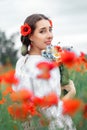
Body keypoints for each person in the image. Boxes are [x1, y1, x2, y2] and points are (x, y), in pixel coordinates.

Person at [13, 13, 76, 130]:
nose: (50, 35)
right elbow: (50, 109)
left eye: (50, 30)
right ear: (30, 36)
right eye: (42, 31)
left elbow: (26, 95)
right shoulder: (48, 64)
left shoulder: (21, 62)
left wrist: (57, 88)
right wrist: (71, 93)